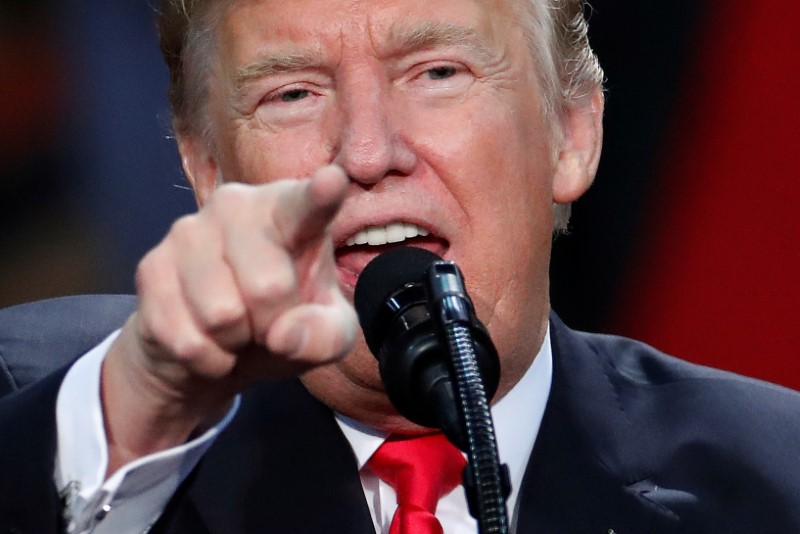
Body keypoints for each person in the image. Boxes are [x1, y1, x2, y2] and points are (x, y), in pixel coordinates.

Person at [1, 0, 799, 532]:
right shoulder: (59, 400)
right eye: (292, 93)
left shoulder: (775, 478)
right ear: (208, 170)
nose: (368, 151)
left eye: (437, 74)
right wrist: (145, 404)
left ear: (571, 132)